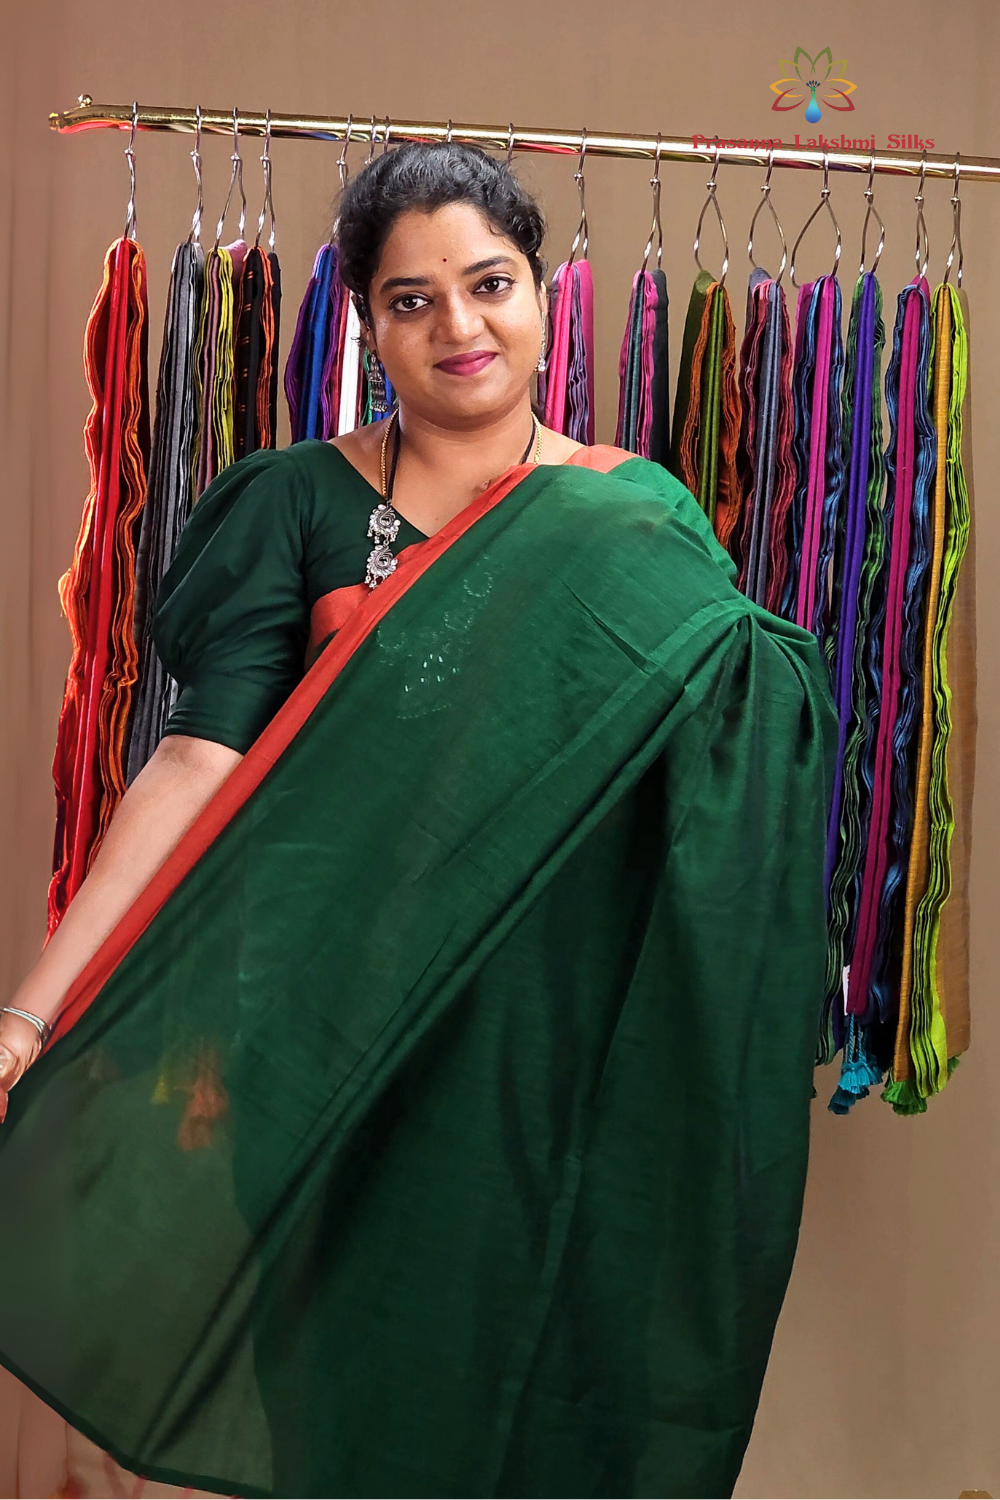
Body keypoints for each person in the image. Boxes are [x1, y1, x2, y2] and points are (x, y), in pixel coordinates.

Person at [0, 143, 835, 1499]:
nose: (460, 325)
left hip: (543, 1066)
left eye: (489, 283)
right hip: (322, 1046)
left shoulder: (636, 517)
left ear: (543, 291)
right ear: (366, 320)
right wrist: (29, 1019)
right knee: (336, 1414)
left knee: (535, 1405)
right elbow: (197, 765)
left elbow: (712, 778)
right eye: (412, 299)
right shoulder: (298, 500)